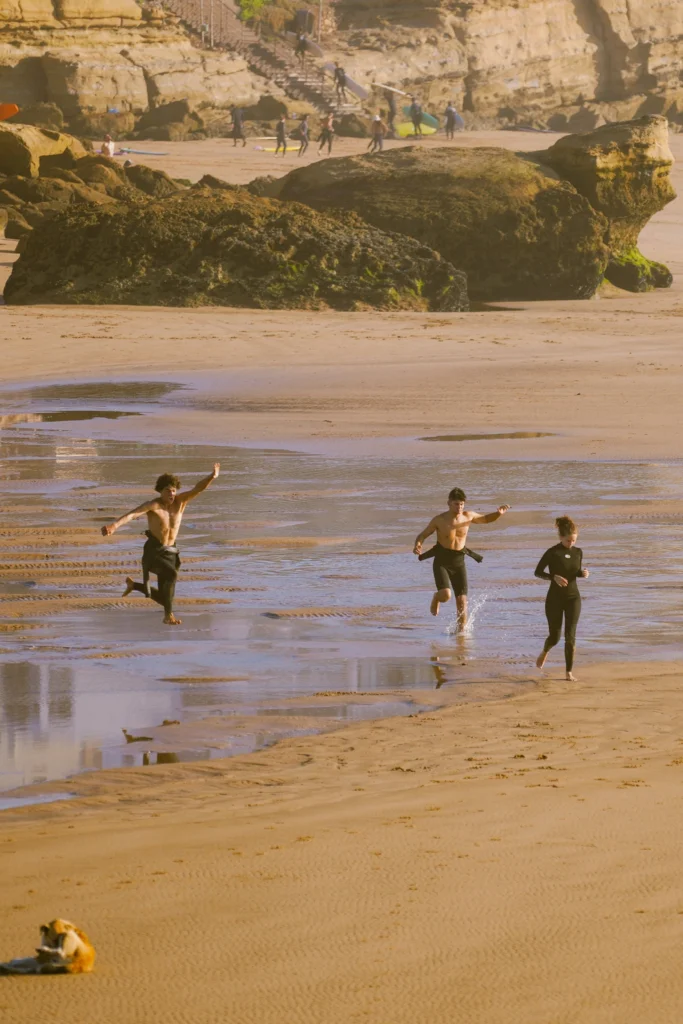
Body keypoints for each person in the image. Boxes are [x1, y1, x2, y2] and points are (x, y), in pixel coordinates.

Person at [100, 463, 220, 626]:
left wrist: (212, 476)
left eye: (173, 490)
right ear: (160, 491)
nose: (171, 493)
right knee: (172, 575)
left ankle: (135, 585)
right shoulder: (153, 505)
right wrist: (114, 526)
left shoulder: (181, 502)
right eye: (168, 490)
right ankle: (168, 616)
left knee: (166, 596)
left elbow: (198, 489)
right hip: (155, 551)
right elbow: (133, 514)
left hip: (171, 552)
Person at [413, 487, 510, 626]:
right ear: (449, 503)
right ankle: (436, 597)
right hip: (442, 560)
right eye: (456, 504)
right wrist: (418, 544)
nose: (459, 507)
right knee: (446, 595)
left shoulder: (468, 516)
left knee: (462, 601)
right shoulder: (439, 520)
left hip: (459, 561)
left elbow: (486, 519)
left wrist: (498, 514)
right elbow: (423, 535)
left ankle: (461, 633)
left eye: (462, 504)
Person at [534, 515, 589, 681]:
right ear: (561, 537)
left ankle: (568, 672)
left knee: (570, 637)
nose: (571, 543)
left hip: (573, 598)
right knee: (555, 637)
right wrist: (554, 577)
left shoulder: (578, 552)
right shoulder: (553, 552)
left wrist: (582, 573)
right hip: (555, 599)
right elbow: (538, 572)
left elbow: (574, 572)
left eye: (574, 540)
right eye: (568, 540)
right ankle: (545, 650)